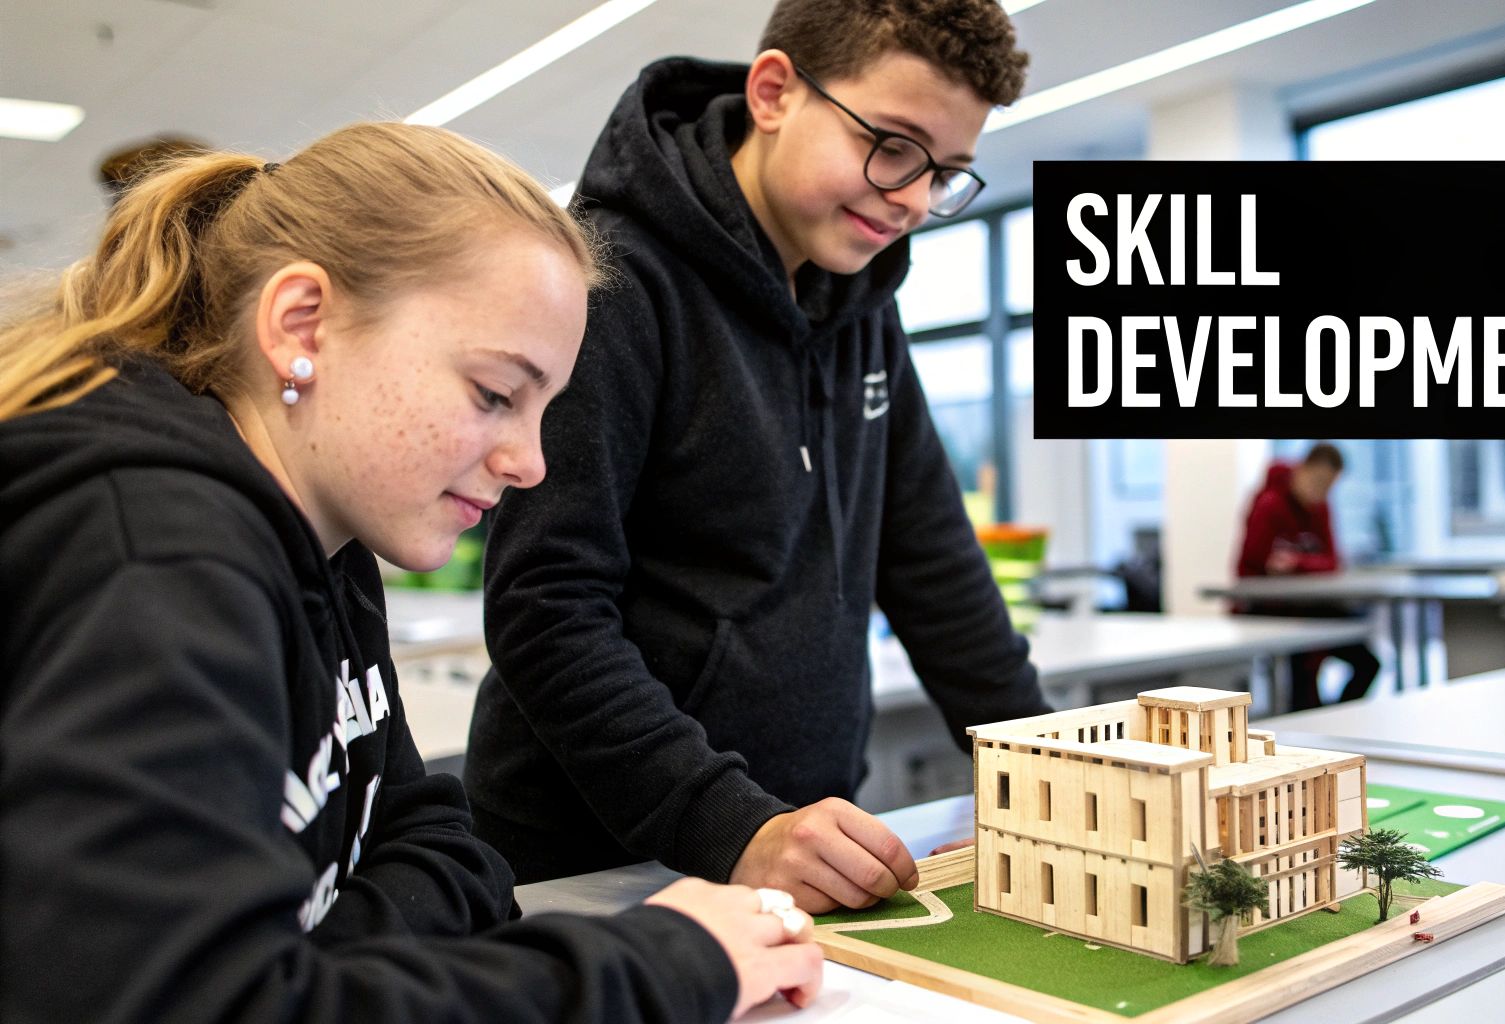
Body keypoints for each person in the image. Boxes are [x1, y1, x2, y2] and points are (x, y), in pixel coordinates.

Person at [0, 124, 820, 1023]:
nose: (531, 462)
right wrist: (662, 966)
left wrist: (313, 963)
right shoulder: (153, 556)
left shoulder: (333, 540)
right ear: (301, 324)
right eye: (495, 394)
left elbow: (442, 841)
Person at [464, 0, 1049, 905]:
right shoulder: (610, 282)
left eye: (945, 173)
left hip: (794, 838)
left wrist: (1047, 768)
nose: (911, 197)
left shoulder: (859, 305)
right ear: (775, 91)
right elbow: (547, 609)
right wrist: (728, 822)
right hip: (598, 861)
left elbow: (931, 559)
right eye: (891, 145)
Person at [1234, 443, 1380, 710]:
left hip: (1310, 608)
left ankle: (1333, 720)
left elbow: (1333, 562)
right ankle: (1310, 725)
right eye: (1317, 481)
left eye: (1328, 486)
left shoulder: (1320, 507)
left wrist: (1297, 562)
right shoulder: (1270, 504)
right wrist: (1302, 565)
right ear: (1301, 470)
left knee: (1367, 661)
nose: (1320, 491)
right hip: (1270, 610)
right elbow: (1254, 565)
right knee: (1305, 670)